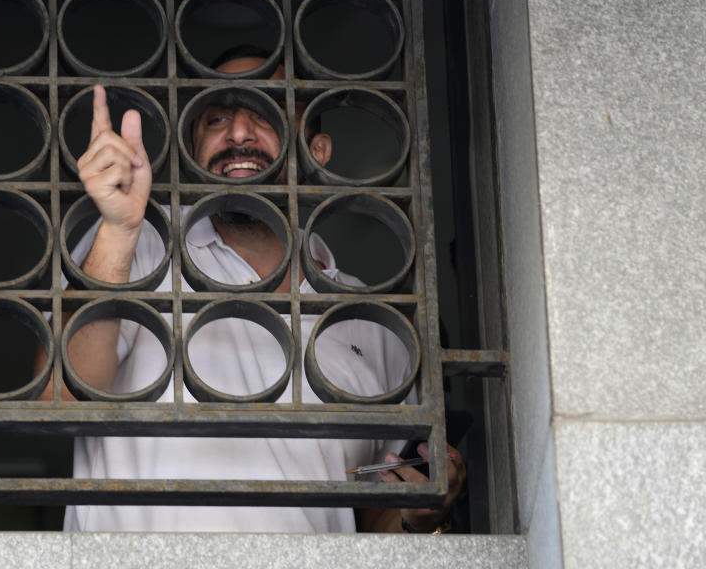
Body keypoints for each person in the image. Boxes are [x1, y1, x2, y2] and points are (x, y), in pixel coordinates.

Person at [43, 54, 465, 532]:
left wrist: (419, 513)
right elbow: (54, 397)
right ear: (192, 147)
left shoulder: (375, 321)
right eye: (217, 117)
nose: (239, 133)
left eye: (266, 112)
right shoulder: (140, 244)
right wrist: (119, 231)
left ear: (317, 151)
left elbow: (370, 510)